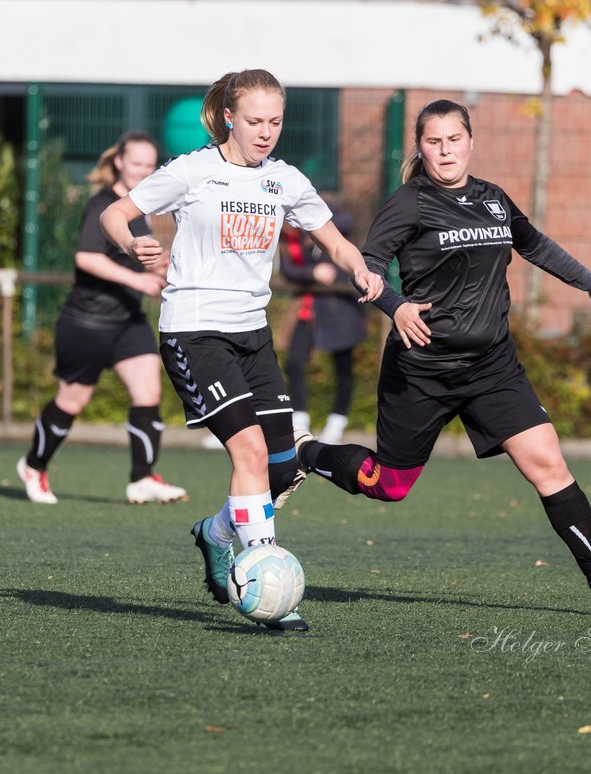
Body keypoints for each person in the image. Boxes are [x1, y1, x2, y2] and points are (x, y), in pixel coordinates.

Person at [292, 98, 591, 614]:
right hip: (422, 369)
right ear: (421, 148)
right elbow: (367, 267)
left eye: (454, 140)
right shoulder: (409, 202)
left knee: (548, 463)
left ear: (470, 141)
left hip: (491, 367)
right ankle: (305, 454)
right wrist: (395, 306)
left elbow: (538, 247)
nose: (445, 151)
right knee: (389, 486)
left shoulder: (494, 199)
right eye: (433, 142)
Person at [100, 69, 384, 631]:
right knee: (250, 453)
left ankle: (217, 532)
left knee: (279, 469)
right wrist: (133, 242)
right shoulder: (193, 170)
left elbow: (336, 238)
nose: (266, 133)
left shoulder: (284, 180)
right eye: (255, 121)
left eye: (275, 122)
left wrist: (360, 268)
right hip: (194, 330)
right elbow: (116, 213)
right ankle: (268, 584)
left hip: (252, 337)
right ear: (229, 116)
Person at [17, 131, 188, 506]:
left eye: (150, 164)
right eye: (137, 163)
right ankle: (34, 465)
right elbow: (87, 259)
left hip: (127, 321)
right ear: (119, 162)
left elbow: (129, 258)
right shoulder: (103, 205)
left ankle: (142, 477)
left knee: (148, 393)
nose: (144, 171)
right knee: (71, 402)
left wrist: (162, 263)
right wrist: (138, 279)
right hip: (88, 322)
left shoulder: (137, 209)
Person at [279, 210, 368, 444]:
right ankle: (299, 422)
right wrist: (312, 272)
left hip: (343, 312)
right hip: (311, 311)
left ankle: (336, 423)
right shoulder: (303, 246)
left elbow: (345, 231)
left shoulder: (340, 232)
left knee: (343, 370)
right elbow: (290, 270)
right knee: (295, 362)